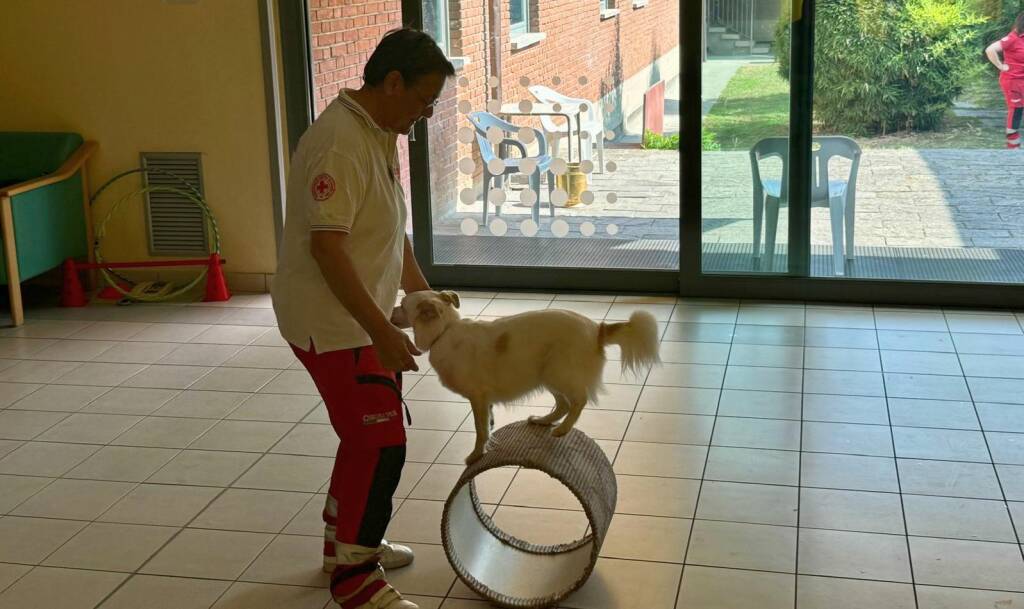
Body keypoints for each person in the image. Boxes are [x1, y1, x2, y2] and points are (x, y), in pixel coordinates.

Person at [271, 29, 454, 609]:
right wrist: (381, 330)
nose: (424, 115)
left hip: (364, 318)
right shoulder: (339, 144)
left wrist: (423, 295)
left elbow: (388, 227)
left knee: (364, 437)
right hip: (334, 324)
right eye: (423, 100)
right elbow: (328, 249)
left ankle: (342, 545)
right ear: (392, 81)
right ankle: (355, 580)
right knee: (381, 443)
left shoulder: (376, 132)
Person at [987, 13, 1024, 148]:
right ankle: (1012, 144)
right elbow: (990, 50)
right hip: (1012, 81)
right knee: (1016, 109)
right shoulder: (1012, 38)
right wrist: (1000, 66)